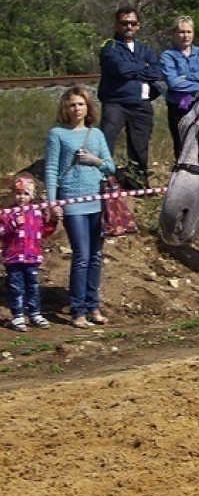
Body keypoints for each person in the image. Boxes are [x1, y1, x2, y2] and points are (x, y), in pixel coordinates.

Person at [45, 86, 116, 329]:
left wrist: (95, 161)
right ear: (65, 108)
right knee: (82, 255)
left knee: (96, 255)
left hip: (96, 201)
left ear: (88, 108)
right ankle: (78, 310)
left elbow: (111, 166)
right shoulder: (57, 134)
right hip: (72, 201)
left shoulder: (96, 135)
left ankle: (92, 304)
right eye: (72, 104)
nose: (77, 108)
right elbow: (52, 170)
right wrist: (52, 203)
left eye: (81, 104)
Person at [98, 5, 161, 184]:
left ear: (138, 25)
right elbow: (121, 69)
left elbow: (156, 72)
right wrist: (143, 67)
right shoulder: (109, 46)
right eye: (124, 23)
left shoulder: (145, 49)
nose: (129, 27)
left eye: (133, 23)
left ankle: (137, 182)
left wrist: (137, 69)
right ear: (117, 25)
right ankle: (103, 179)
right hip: (115, 103)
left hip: (141, 104)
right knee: (106, 141)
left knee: (139, 147)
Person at [0, 176, 58, 332]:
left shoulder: (37, 212)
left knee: (33, 286)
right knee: (16, 287)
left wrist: (53, 221)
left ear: (31, 196)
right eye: (18, 193)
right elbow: (2, 233)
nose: (21, 197)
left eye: (25, 194)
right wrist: (13, 224)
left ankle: (35, 313)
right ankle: (18, 316)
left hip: (32, 256)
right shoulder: (7, 213)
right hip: (13, 257)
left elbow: (44, 231)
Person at [160, 15, 199, 160]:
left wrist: (187, 77)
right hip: (181, 104)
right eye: (181, 32)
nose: (185, 36)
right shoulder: (168, 56)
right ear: (174, 34)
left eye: (188, 32)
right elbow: (174, 83)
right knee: (182, 145)